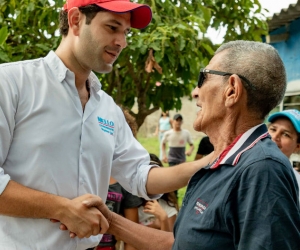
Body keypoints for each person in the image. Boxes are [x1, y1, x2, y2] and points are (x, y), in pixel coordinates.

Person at [0, 0, 207, 249]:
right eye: (112, 27)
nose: (122, 42)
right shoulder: (11, 84)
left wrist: (212, 161)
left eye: (126, 32)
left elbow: (140, 175)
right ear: (76, 20)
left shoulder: (107, 107)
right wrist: (62, 209)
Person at [83, 40, 300, 250]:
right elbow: (180, 243)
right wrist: (108, 219)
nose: (195, 92)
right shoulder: (225, 162)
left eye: (203, 78)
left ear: (232, 90)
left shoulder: (262, 170)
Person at [139, 154, 178, 232]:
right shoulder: (131, 204)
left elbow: (169, 241)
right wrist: (154, 226)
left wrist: (163, 219)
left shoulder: (168, 208)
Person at [267, 109, 300, 201]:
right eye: (273, 129)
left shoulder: (296, 184)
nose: (274, 137)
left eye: (286, 134)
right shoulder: (242, 164)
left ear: (297, 146)